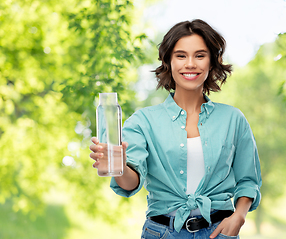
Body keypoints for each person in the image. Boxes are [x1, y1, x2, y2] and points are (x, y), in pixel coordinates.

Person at [90, 19, 262, 239]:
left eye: (200, 55)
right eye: (181, 56)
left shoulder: (233, 119)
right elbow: (131, 182)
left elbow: (249, 179)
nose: (190, 64)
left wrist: (239, 216)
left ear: (212, 62)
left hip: (219, 231)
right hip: (162, 233)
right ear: (168, 62)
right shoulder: (143, 121)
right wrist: (120, 166)